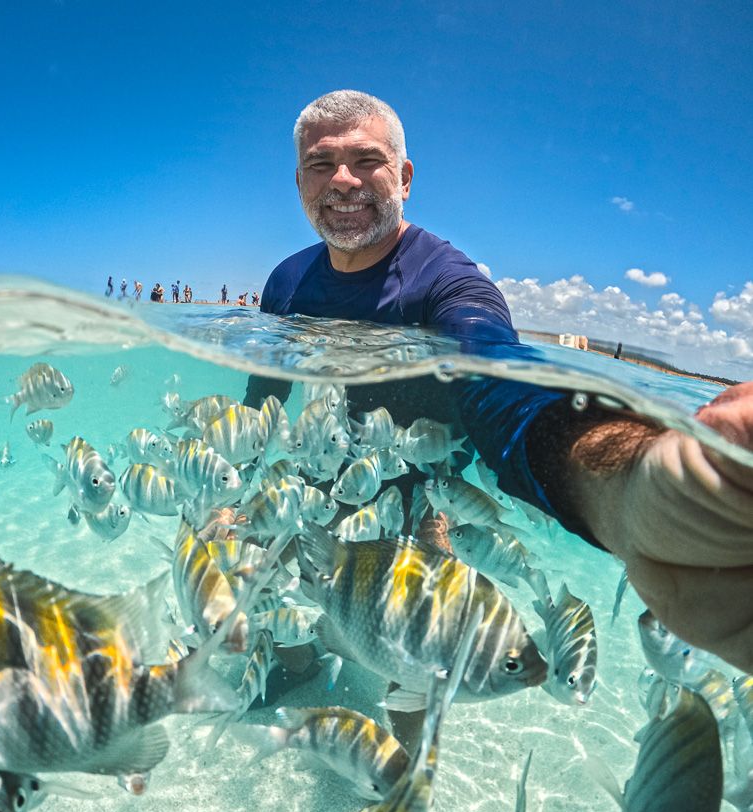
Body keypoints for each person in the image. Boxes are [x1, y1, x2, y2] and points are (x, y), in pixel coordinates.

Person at [244, 89, 753, 674]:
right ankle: (306, 664)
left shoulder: (448, 283)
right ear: (300, 184)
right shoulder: (285, 281)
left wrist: (622, 482)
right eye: (319, 164)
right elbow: (265, 398)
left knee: (416, 672)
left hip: (423, 506)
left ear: (404, 178)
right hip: (321, 478)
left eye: (366, 161)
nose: (342, 181)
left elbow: (499, 390)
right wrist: (245, 496)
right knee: (303, 612)